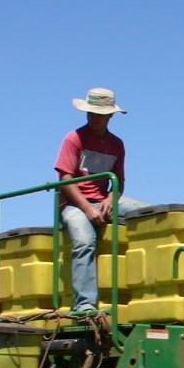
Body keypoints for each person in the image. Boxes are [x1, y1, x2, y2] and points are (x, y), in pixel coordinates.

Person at [55, 88, 127, 313]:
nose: (94, 117)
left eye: (99, 113)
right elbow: (65, 178)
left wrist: (111, 197)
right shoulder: (74, 138)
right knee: (85, 241)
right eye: (91, 112)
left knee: (150, 215)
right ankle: (85, 305)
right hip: (75, 204)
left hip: (103, 200)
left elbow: (119, 182)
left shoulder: (117, 144)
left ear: (110, 116)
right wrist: (87, 208)